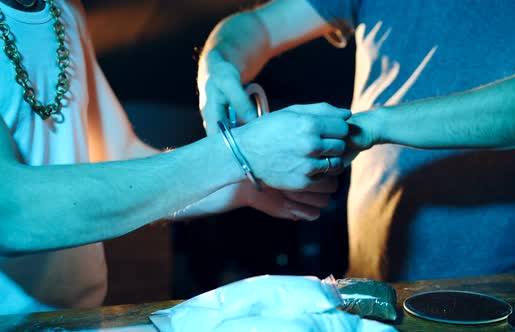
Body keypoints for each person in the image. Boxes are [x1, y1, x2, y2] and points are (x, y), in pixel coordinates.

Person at [198, 0, 515, 281]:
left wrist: (373, 126)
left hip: (489, 292)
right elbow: (261, 27)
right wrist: (217, 66)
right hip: (369, 282)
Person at [0, 0, 350, 314]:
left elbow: (121, 156)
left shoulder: (63, 9)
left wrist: (244, 185)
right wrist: (238, 153)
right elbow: (13, 212)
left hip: (81, 316)